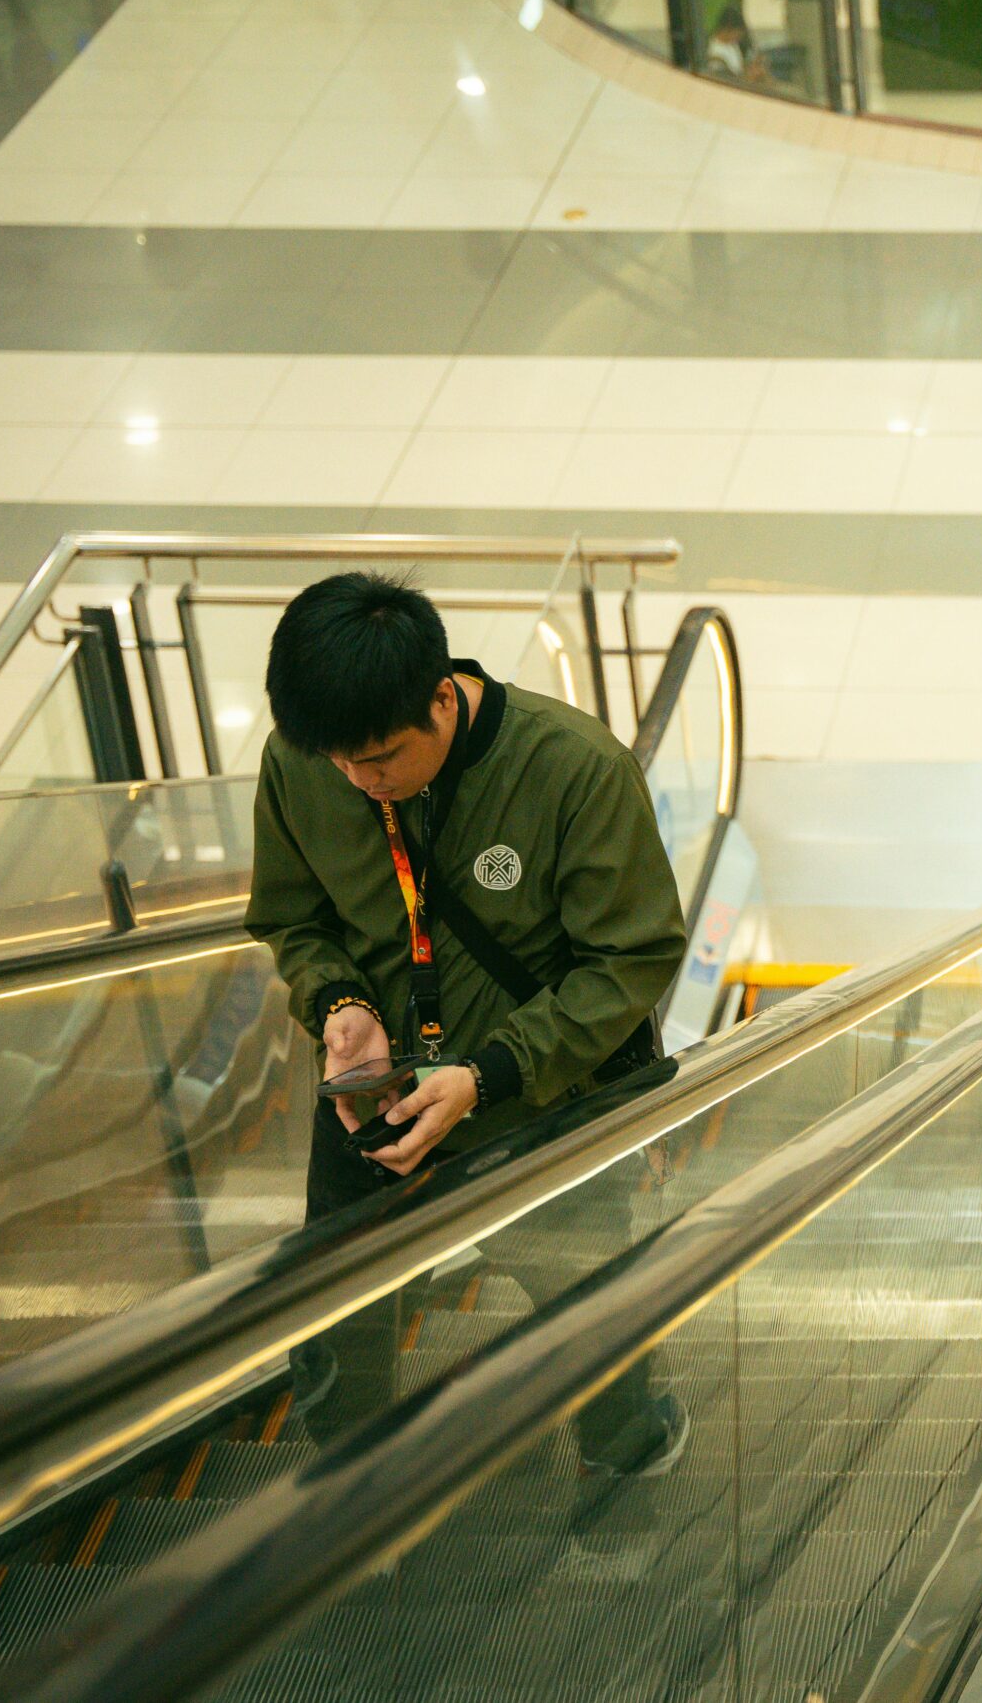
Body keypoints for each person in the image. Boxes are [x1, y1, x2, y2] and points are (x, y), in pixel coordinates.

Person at [244, 571, 689, 1509]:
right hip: (376, 1093)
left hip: (539, 1098)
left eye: (382, 757)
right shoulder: (302, 761)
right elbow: (294, 917)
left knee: (587, 1304)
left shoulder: (573, 769)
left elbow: (630, 956)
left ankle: (623, 1454)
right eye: (340, 763)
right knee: (340, 1308)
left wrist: (488, 1075)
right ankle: (349, 1497)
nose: (363, 782)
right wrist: (336, 1006)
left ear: (442, 695)